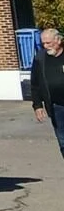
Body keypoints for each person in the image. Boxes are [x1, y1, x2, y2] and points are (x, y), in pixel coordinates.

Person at [32, 25, 64, 157]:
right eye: (43, 43)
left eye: (48, 43)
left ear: (58, 40)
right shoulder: (40, 58)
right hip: (56, 107)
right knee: (63, 141)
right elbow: (35, 83)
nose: (45, 46)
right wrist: (37, 105)